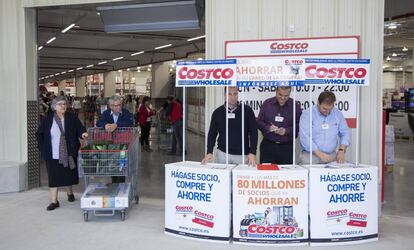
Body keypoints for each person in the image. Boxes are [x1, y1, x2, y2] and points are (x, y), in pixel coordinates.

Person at [36, 96, 88, 211]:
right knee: (53, 177)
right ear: (54, 107)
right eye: (60, 104)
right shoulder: (48, 119)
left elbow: (80, 128)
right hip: (53, 153)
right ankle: (54, 201)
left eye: (64, 103)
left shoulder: (72, 118)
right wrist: (43, 148)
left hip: (68, 151)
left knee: (67, 174)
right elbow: (39, 134)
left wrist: (83, 134)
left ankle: (70, 193)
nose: (63, 106)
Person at [201, 87, 258, 165]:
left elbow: (254, 132)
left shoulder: (247, 111)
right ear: (225, 95)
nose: (233, 97)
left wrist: (253, 152)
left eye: (235, 94)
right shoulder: (217, 113)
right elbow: (212, 133)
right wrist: (209, 152)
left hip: (242, 155)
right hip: (223, 154)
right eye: (230, 94)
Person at [299, 91, 351, 164]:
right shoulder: (308, 114)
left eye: (330, 109)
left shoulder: (337, 114)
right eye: (324, 108)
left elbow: (345, 132)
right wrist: (320, 154)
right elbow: (305, 137)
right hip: (311, 156)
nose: (328, 112)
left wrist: (341, 150)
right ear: (318, 103)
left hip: (331, 156)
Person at [257, 86, 302, 164]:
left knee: (286, 175)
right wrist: (268, 128)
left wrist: (286, 131)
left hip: (287, 148)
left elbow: (300, 125)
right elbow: (259, 122)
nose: (282, 98)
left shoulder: (295, 105)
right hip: (268, 146)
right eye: (280, 95)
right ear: (276, 91)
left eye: (286, 96)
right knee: (266, 174)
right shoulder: (267, 104)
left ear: (290, 93)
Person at [96, 95, 134, 183]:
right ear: (110, 106)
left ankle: (120, 185)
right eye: (116, 105)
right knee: (113, 165)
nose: (118, 107)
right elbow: (99, 122)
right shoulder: (106, 113)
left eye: (119, 105)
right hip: (110, 144)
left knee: (121, 166)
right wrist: (105, 125)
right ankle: (114, 183)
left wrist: (116, 125)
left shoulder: (126, 112)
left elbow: (130, 122)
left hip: (123, 144)